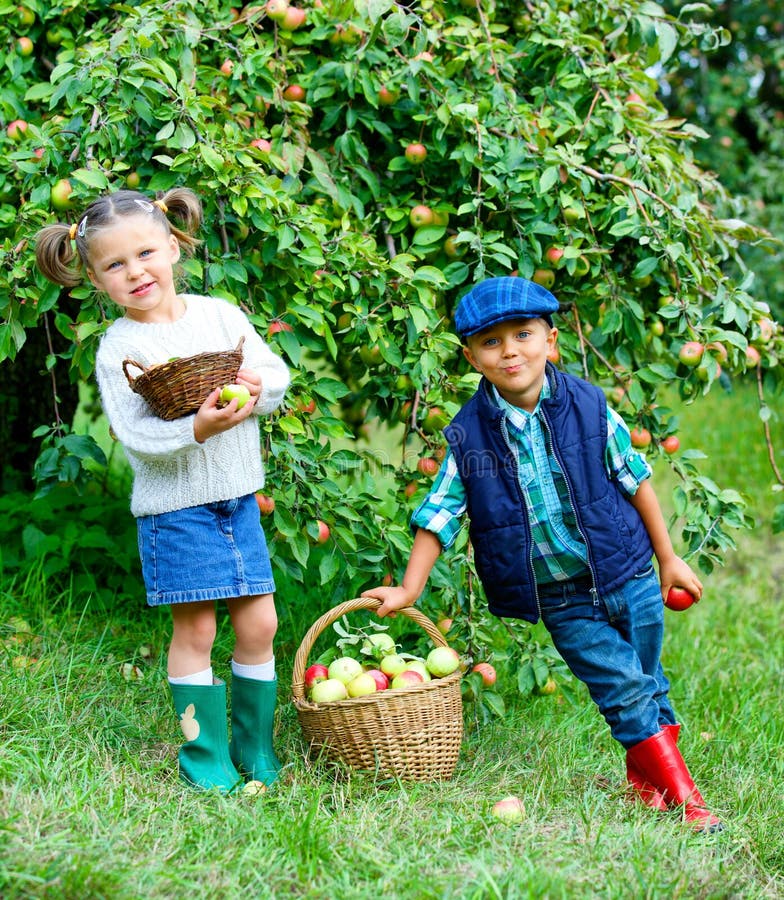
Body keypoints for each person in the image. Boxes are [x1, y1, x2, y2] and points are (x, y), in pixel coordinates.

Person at [362, 276, 721, 832]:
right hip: (560, 595)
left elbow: (637, 479)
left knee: (646, 681)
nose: (510, 351)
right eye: (491, 342)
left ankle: (646, 785)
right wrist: (410, 588)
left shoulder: (590, 406)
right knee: (622, 688)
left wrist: (668, 558)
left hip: (629, 572)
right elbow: (439, 514)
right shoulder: (468, 437)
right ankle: (688, 802)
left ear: (550, 341)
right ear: (471, 357)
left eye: (524, 335)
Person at [34, 187, 291, 793]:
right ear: (97, 281)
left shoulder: (220, 315)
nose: (136, 272)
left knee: (261, 624)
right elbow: (136, 436)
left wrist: (256, 388)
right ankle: (206, 757)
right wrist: (197, 426)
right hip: (175, 511)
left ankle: (255, 748)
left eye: (146, 252)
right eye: (115, 265)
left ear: (173, 247)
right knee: (196, 630)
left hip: (237, 498)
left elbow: (273, 371)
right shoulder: (121, 347)